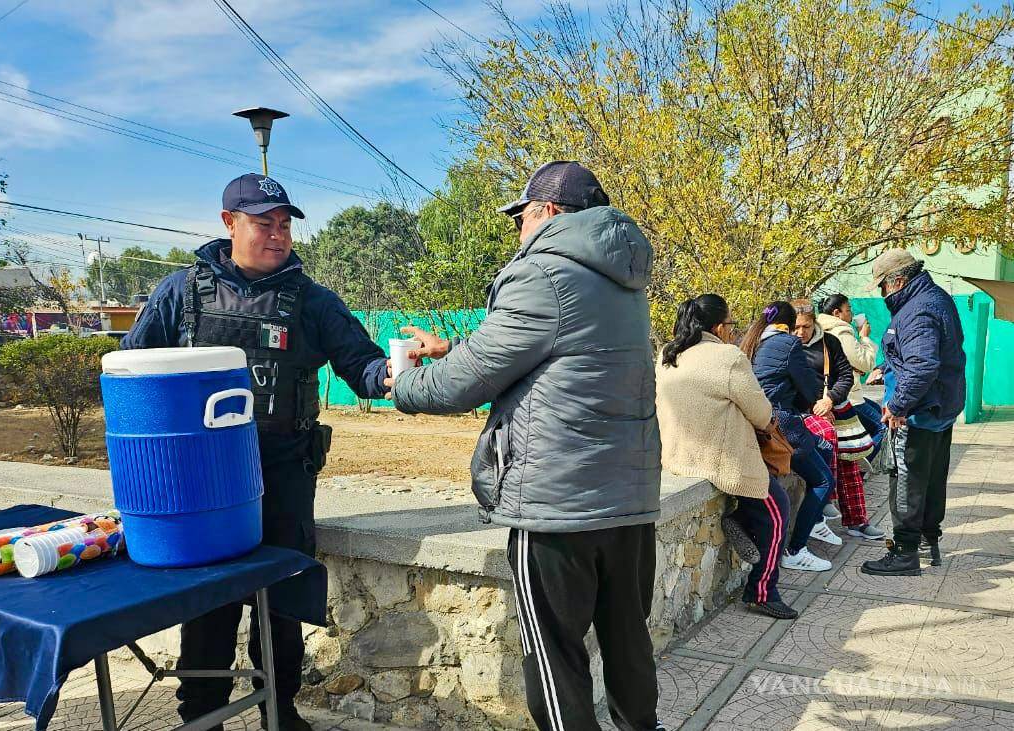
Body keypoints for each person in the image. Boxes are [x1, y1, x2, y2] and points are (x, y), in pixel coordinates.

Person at [388, 161, 665, 731]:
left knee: (555, 655)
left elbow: (471, 381)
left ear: (545, 212)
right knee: (627, 639)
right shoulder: (621, 275)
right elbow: (552, 352)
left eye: (519, 216)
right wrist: (454, 348)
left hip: (558, 506)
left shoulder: (543, 272)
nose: (517, 228)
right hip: (629, 500)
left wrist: (407, 384)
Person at [122, 173, 390, 731]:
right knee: (208, 599)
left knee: (281, 596)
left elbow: (362, 368)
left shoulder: (312, 301)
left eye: (285, 225)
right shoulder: (179, 293)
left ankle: (279, 708)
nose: (278, 235)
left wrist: (403, 368)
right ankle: (203, 713)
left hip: (284, 470)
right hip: (203, 479)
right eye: (263, 223)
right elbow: (134, 375)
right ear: (229, 224)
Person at [656, 294, 797, 620]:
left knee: (761, 504)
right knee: (778, 512)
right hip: (721, 460)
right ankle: (762, 591)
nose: (734, 331)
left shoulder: (668, 353)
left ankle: (742, 519)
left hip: (677, 456)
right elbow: (761, 414)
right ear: (719, 327)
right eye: (732, 325)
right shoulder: (728, 358)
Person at [861, 250, 966, 576]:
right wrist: (885, 366)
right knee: (932, 478)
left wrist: (896, 405)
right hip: (939, 407)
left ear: (899, 281)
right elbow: (917, 354)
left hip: (918, 411)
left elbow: (922, 366)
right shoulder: (935, 298)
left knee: (906, 481)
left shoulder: (917, 311)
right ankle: (928, 542)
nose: (882, 294)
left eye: (882, 287)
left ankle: (905, 553)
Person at [740, 301, 835, 572]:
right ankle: (796, 550)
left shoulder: (750, 340)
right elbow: (809, 387)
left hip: (757, 424)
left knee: (824, 447)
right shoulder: (787, 344)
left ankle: (816, 520)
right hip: (782, 427)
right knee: (823, 481)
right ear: (789, 325)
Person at [793, 301, 885, 542]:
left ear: (814, 323)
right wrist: (817, 406)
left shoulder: (829, 343)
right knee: (826, 438)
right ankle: (827, 500)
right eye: (796, 327)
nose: (801, 332)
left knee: (850, 464)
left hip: (834, 407)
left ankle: (857, 521)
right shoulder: (787, 346)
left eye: (806, 326)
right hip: (806, 411)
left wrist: (830, 400)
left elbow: (845, 376)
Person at [816, 293, 887, 457]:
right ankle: (861, 466)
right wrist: (864, 337)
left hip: (833, 394)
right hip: (848, 396)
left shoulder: (821, 331)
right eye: (848, 310)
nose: (852, 314)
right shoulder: (841, 333)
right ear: (836, 313)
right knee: (883, 426)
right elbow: (866, 363)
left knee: (877, 410)